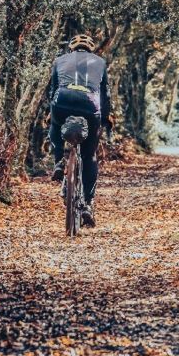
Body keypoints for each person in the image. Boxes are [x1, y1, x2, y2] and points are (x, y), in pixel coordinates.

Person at [48, 33, 112, 227]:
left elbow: (52, 90)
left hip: (63, 100)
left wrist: (51, 111)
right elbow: (105, 95)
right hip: (90, 106)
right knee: (89, 155)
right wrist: (106, 118)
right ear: (91, 49)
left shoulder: (59, 60)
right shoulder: (100, 62)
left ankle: (59, 160)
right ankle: (88, 204)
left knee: (55, 124)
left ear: (71, 48)